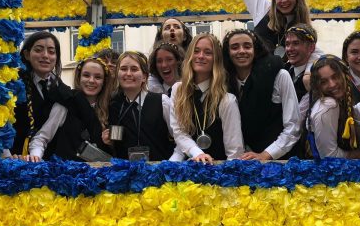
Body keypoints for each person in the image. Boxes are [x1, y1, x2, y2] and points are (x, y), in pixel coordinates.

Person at [222, 29, 299, 161]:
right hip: (241, 160)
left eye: (247, 46)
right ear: (228, 53)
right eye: (235, 47)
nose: (241, 51)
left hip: (279, 161)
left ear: (255, 49)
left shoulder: (279, 76)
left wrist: (266, 155)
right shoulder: (223, 81)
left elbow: (293, 126)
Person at [170, 34, 244, 162]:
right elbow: (179, 132)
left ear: (216, 59)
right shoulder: (178, 90)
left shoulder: (227, 100)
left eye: (208, 52)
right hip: (188, 171)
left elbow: (234, 151)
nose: (200, 56)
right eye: (196, 51)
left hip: (219, 173)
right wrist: (197, 153)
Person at [26, 57, 112, 162]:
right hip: (67, 173)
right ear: (79, 77)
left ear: (104, 81)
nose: (91, 80)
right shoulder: (64, 105)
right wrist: (36, 156)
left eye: (98, 77)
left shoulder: (111, 108)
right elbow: (41, 138)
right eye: (86, 75)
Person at [10, 31, 72, 158]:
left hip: (44, 159)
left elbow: (45, 135)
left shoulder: (63, 92)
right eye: (38, 50)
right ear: (27, 54)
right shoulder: (13, 85)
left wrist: (35, 157)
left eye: (51, 51)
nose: (45, 56)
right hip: (11, 157)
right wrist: (7, 156)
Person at [105, 51, 175, 161]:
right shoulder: (114, 105)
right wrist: (108, 141)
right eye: (123, 69)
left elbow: (179, 137)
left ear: (144, 77)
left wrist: (172, 163)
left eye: (134, 69)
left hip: (158, 171)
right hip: (125, 173)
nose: (128, 73)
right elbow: (116, 143)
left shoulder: (162, 101)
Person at [304, 55, 360, 159]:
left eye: (335, 77)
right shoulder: (328, 105)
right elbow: (329, 157)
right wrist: (358, 155)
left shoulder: (341, 101)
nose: (332, 84)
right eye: (323, 82)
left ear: (345, 75)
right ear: (317, 86)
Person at [283, 24, 318, 101]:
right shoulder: (284, 70)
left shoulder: (317, 77)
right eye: (287, 44)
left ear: (311, 47)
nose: (290, 49)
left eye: (296, 43)